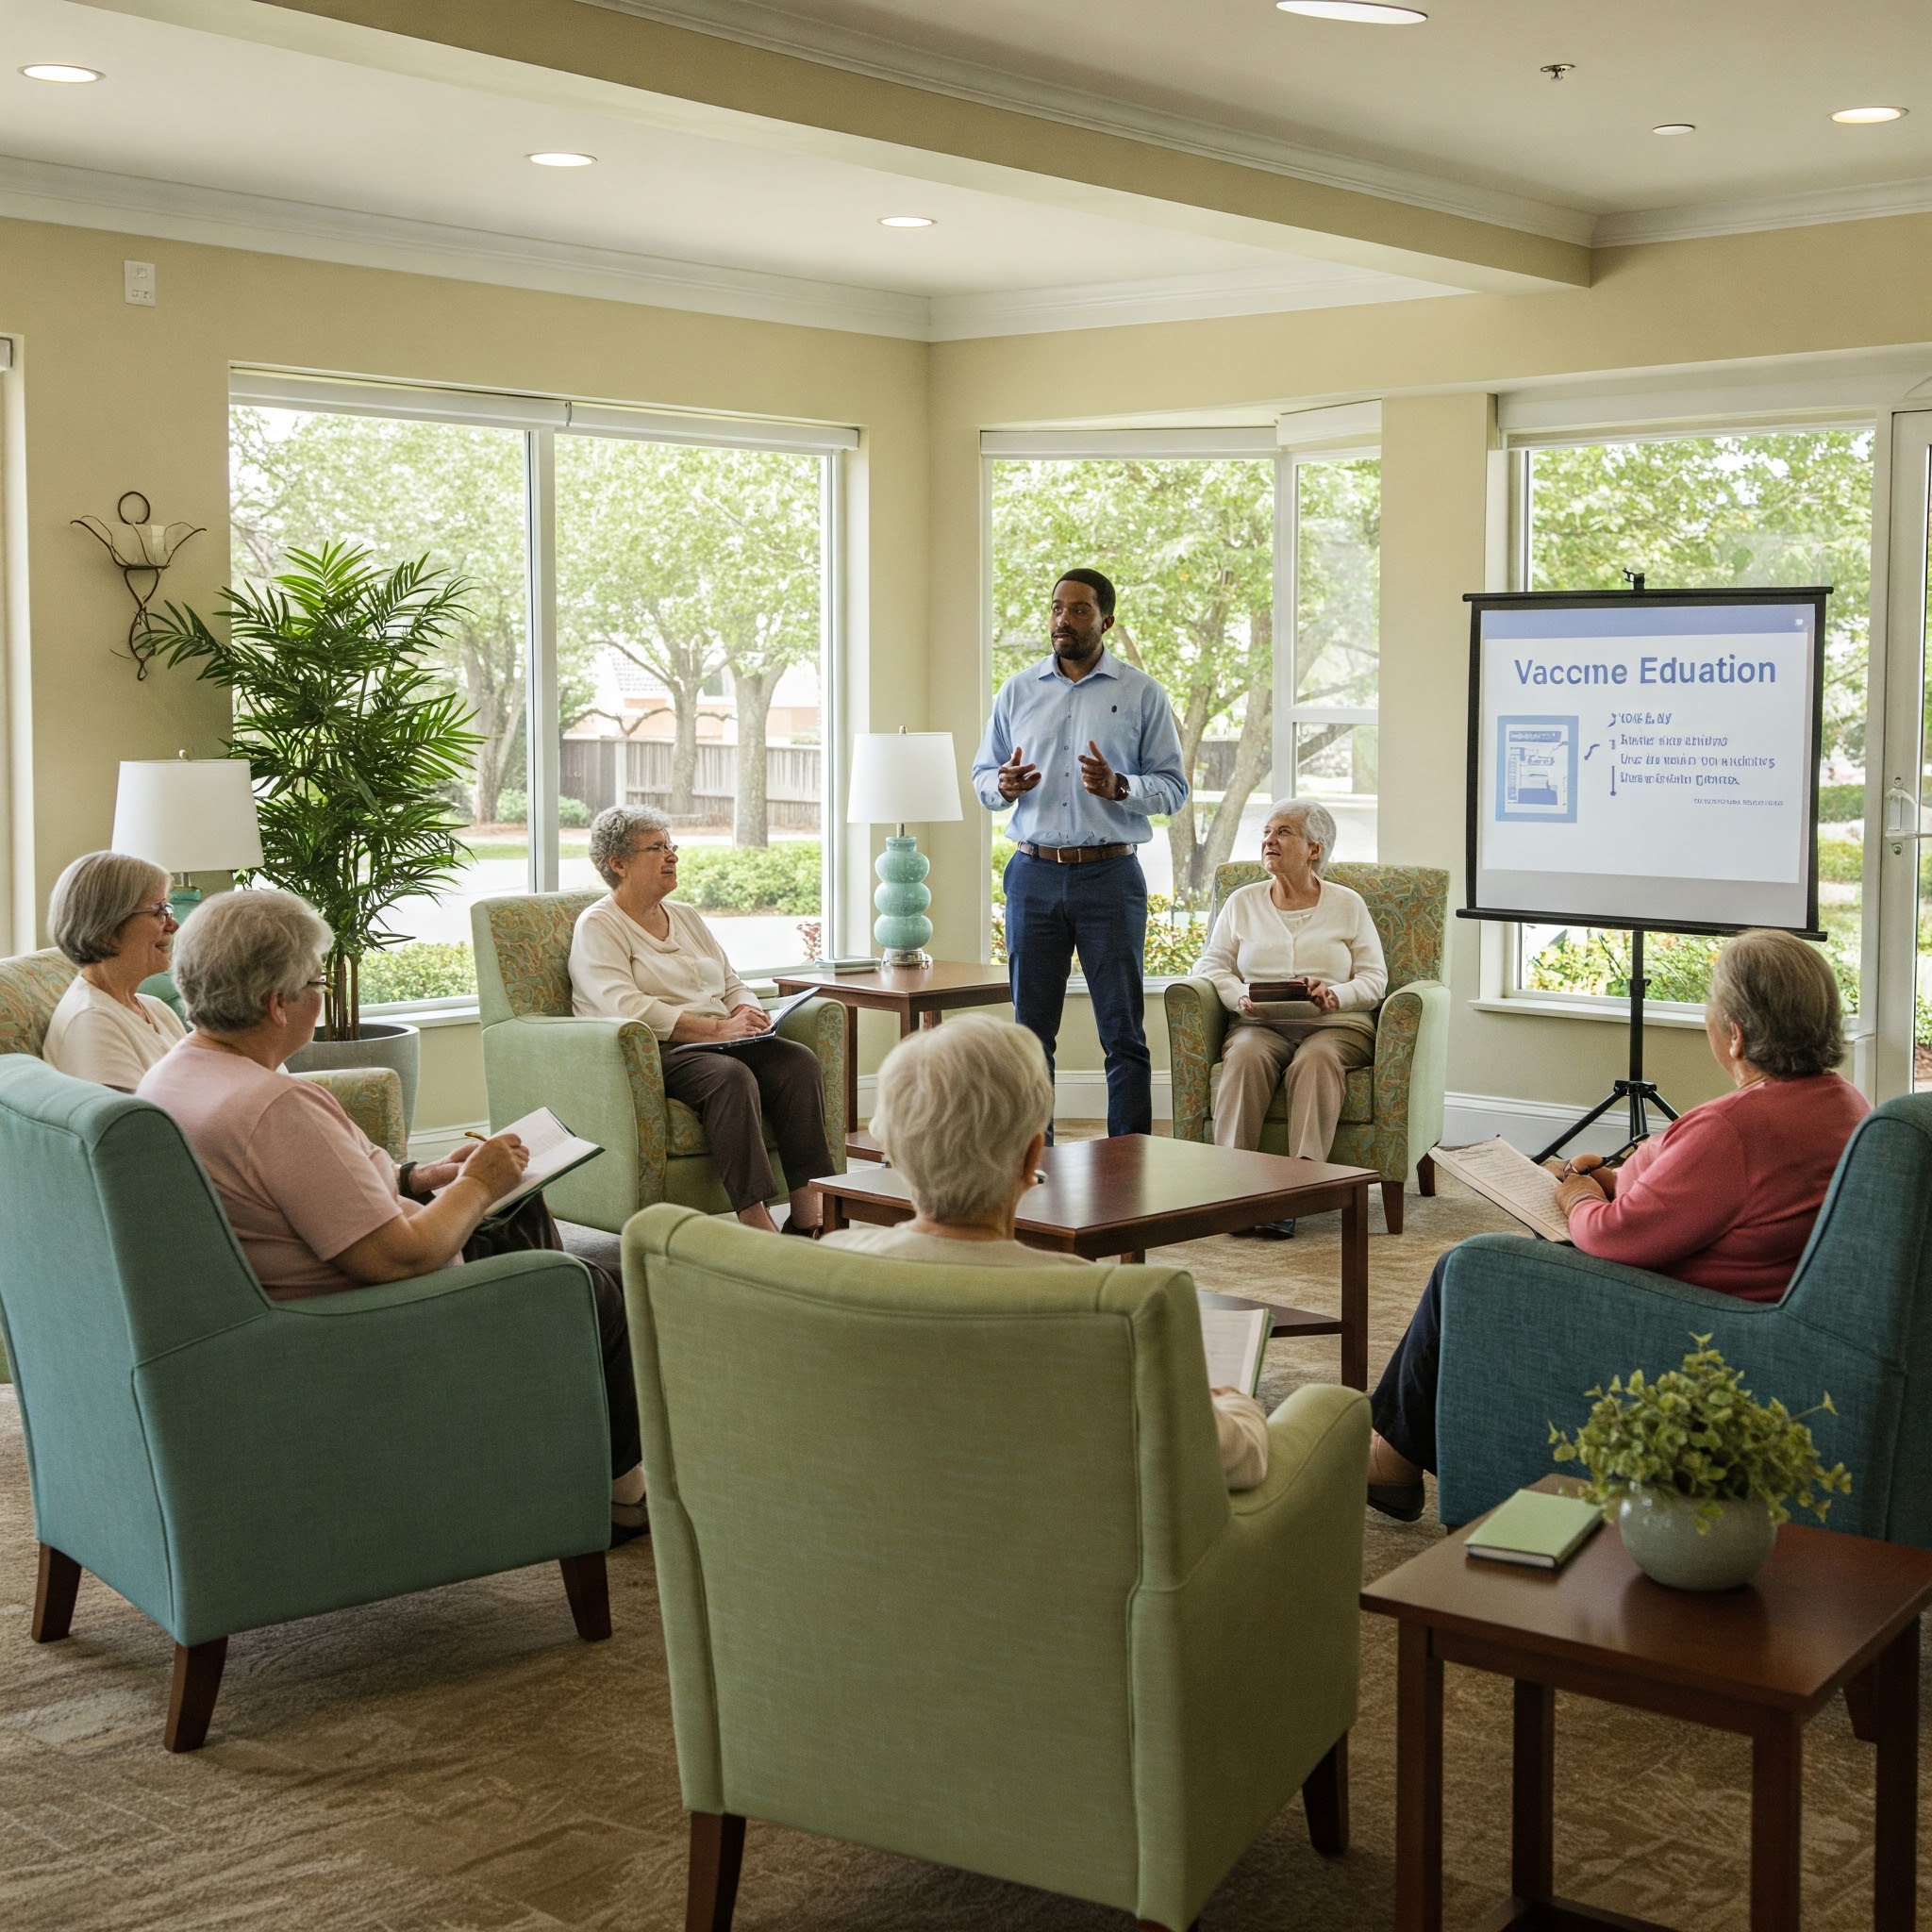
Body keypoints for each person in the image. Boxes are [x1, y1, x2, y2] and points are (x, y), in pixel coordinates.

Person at [137, 889, 647, 1543]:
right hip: (364, 1325)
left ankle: (555, 1445)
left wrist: (423, 1176)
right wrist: (478, 1184)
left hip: (303, 1292)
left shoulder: (179, 1073)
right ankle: (621, 1496)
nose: (322, 995)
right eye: (317, 981)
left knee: (521, 1217)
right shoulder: (274, 1108)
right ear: (276, 1003)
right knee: (586, 1286)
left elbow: (311, 1191)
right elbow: (396, 1258)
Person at [1365, 927, 1871, 1523]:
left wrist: (1580, 1195)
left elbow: (1611, 1236)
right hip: (1753, 1302)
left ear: (1734, 1033)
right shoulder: (1843, 1104)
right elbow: (1711, 1203)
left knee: (1467, 1267)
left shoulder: (1734, 1129)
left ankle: (1393, 1460)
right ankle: (1397, 1453)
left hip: (1691, 1314)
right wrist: (1612, 1180)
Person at [823, 1015, 1271, 1490]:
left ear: (890, 1146)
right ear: (1033, 1155)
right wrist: (1237, 1404)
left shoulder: (828, 1265)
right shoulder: (1110, 1303)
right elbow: (1236, 1461)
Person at [971, 568, 1188, 1140]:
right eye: (1056, 609)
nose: (1062, 620)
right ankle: (1033, 1165)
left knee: (1122, 1032)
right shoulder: (1016, 691)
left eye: (1078, 610)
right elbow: (982, 777)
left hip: (1110, 877)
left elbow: (1174, 788)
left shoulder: (1141, 693)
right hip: (1032, 875)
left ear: (1106, 621)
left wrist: (1122, 788)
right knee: (1030, 1033)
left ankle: (1128, 1168)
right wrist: (1005, 786)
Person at [569, 805, 833, 1236]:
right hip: (661, 1050)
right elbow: (623, 1006)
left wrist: (746, 1009)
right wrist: (715, 1030)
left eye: (672, 846)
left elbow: (730, 980)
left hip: (724, 1036)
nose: (672, 856)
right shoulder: (600, 924)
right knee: (728, 1077)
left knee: (797, 1063)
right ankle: (754, 1217)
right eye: (656, 848)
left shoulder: (686, 916)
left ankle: (809, 1214)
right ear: (618, 864)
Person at [1195, 799, 1386, 1238]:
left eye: (1283, 832)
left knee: (1315, 1061)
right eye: (1267, 832)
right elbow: (1211, 966)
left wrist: (1335, 995)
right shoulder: (1242, 902)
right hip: (1260, 1023)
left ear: (1314, 849)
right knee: (1243, 1057)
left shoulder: (1347, 904)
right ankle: (1233, 1191)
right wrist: (1240, 995)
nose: (1269, 840)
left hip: (1334, 1026)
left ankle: (1298, 1191)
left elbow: (1375, 978)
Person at [42, 851, 189, 1089]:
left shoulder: (155, 1008)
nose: (173, 925)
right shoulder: (91, 1022)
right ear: (106, 928)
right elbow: (135, 1124)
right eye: (158, 911)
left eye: (167, 909)